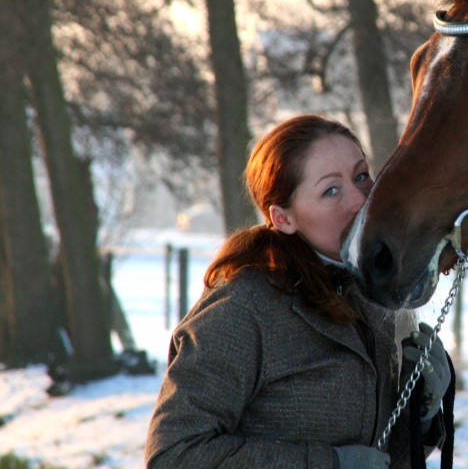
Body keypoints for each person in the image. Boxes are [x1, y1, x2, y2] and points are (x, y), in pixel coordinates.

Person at [145, 114, 452, 468]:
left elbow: (379, 457)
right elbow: (174, 455)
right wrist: (325, 464)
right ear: (283, 218)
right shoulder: (243, 309)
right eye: (331, 190)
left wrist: (420, 413)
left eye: (361, 177)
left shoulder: (371, 298)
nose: (359, 201)